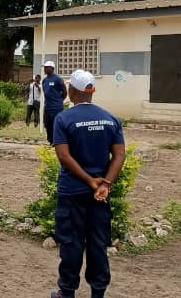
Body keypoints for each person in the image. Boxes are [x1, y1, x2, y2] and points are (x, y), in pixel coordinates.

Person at [49, 70, 126, 298]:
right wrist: (105, 184)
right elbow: (119, 155)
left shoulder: (63, 119)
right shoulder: (110, 119)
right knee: (98, 244)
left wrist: (89, 180)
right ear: (91, 92)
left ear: (72, 91)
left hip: (73, 192)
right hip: (100, 195)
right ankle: (98, 293)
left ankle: (67, 292)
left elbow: (64, 156)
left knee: (71, 243)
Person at [43, 61, 67, 145]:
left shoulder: (58, 79)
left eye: (46, 67)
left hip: (56, 107)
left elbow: (64, 92)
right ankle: (50, 141)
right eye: (44, 67)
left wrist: (58, 101)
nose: (45, 69)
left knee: (55, 125)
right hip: (47, 107)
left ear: (52, 68)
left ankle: (56, 142)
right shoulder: (44, 80)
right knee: (47, 124)